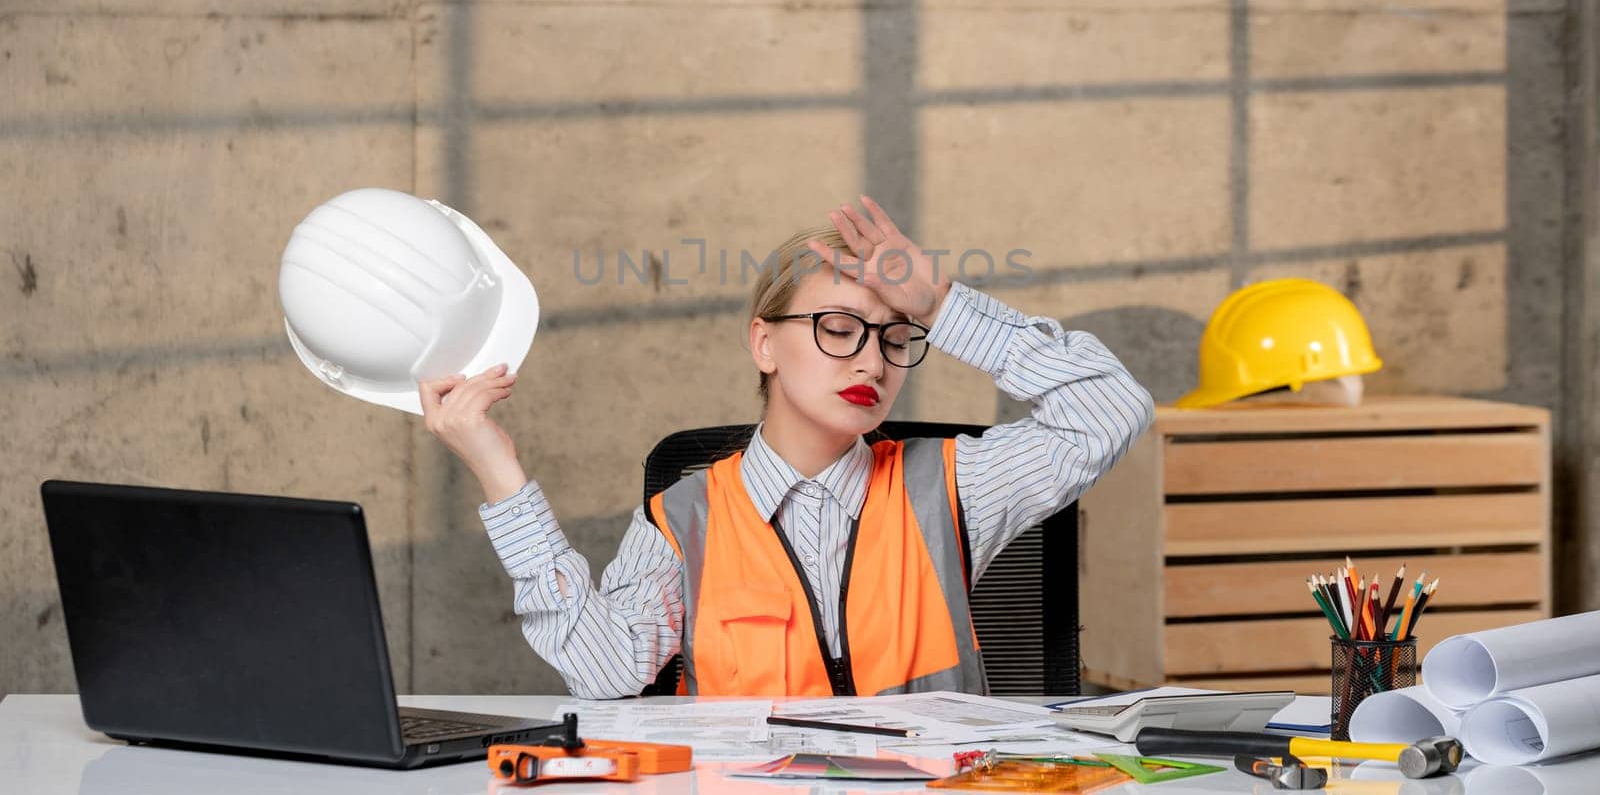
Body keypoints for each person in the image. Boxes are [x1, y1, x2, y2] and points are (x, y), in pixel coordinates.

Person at [420, 196, 1155, 698]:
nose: (873, 362)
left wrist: (941, 304)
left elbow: (1111, 409)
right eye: (840, 329)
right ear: (764, 344)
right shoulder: (686, 516)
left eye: (897, 339)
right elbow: (604, 669)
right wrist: (497, 467)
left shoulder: (957, 486)